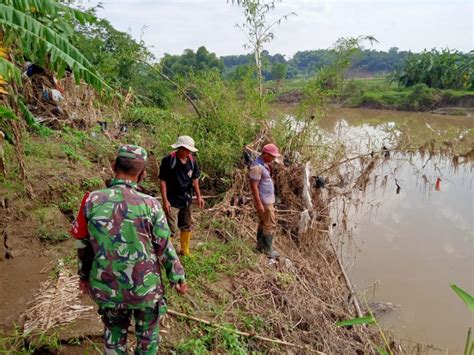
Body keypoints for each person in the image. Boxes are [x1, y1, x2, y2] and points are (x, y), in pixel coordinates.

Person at [70, 144, 187, 354]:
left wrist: (83, 276)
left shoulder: (91, 200)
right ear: (142, 174)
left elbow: (82, 244)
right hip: (145, 290)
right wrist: (177, 276)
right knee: (148, 339)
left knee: (113, 336)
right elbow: (164, 246)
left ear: (114, 166)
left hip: (107, 287)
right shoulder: (151, 205)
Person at [159, 136, 204, 256]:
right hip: (172, 198)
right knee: (170, 228)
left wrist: (199, 196)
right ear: (180, 148)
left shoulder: (192, 161)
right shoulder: (168, 161)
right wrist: (165, 200)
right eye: (186, 150)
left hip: (186, 198)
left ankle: (185, 250)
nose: (188, 152)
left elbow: (195, 180)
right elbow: (162, 181)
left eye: (189, 150)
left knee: (186, 224)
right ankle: (168, 252)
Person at [249, 143, 281, 258]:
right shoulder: (257, 167)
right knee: (270, 224)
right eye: (272, 156)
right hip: (264, 201)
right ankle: (268, 250)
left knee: (263, 222)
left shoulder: (265, 164)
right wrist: (258, 203)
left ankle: (260, 246)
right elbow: (254, 186)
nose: (273, 158)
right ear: (265, 154)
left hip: (267, 200)